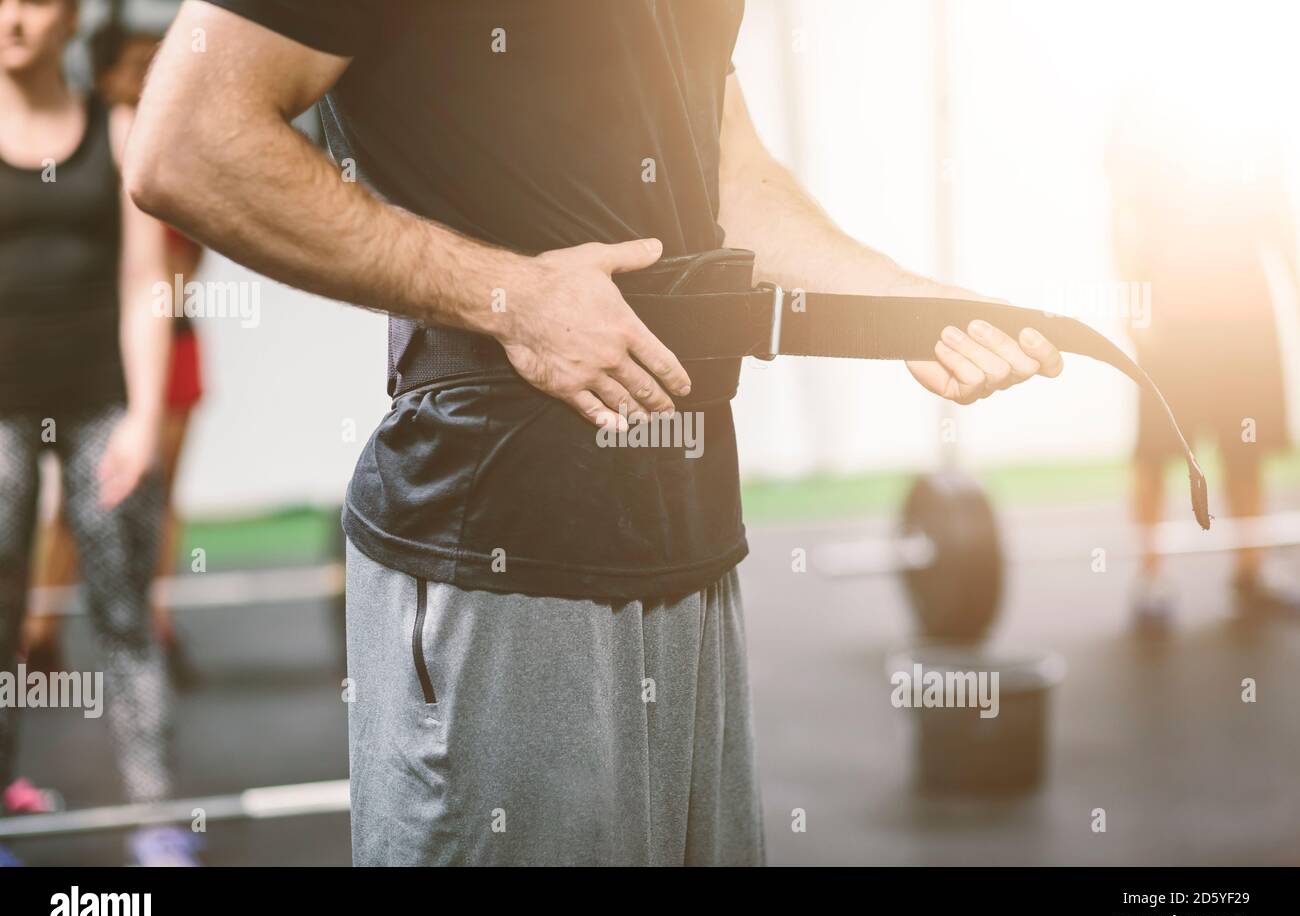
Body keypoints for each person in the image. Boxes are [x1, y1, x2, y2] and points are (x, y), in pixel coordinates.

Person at [127, 0, 1063, 865]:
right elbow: (189, 141)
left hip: (690, 543)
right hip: (498, 546)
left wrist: (913, 302)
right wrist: (514, 297)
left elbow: (732, 180)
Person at [0, 0, 198, 866]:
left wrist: (147, 420)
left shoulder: (117, 130)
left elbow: (143, 284)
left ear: (72, 15)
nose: (10, 17)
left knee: (124, 612)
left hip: (100, 404)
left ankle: (155, 816)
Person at [21, 18, 205, 689]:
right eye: (132, 67)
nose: (144, 78)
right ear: (100, 75)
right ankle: (39, 633)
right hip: (101, 355)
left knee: (158, 499)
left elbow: (190, 255)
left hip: (173, 345)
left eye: (154, 65)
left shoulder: (171, 149)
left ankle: (151, 622)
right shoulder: (90, 145)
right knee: (76, 508)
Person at [1109, 66, 1299, 635]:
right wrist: (1136, 307)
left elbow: (1282, 224)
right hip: (1175, 323)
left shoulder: (1246, 131)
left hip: (1245, 321)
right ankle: (1150, 579)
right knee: (1158, 451)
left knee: (1247, 448)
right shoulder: (1147, 124)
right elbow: (1126, 221)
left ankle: (1250, 572)